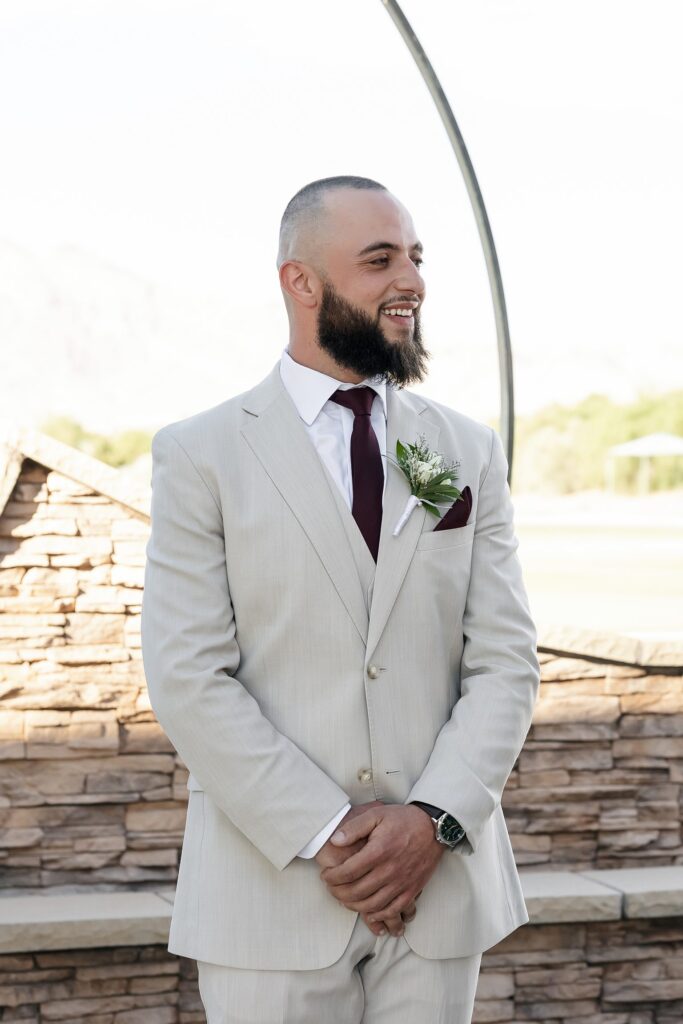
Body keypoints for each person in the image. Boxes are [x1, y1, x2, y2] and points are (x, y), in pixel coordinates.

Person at [141, 175, 540, 1024]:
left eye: (417, 259)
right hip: (270, 895)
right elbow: (187, 676)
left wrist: (429, 822)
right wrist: (334, 834)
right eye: (380, 259)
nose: (412, 282)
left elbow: (505, 660)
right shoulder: (201, 455)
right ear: (302, 281)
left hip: (435, 898)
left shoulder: (462, 452)